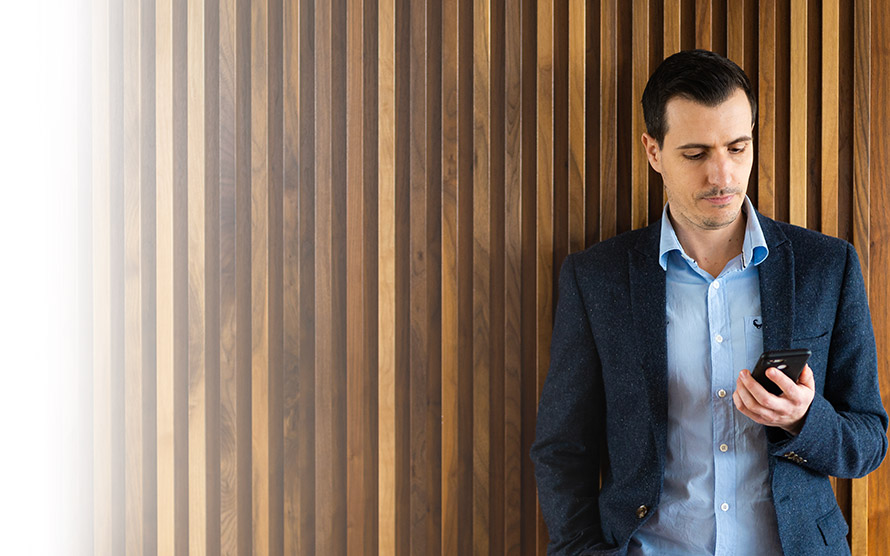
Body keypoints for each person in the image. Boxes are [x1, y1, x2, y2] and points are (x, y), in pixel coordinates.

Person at [530, 49, 888, 555]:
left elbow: (868, 440)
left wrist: (802, 420)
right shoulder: (597, 279)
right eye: (696, 154)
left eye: (738, 148)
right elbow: (563, 449)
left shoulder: (827, 267)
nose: (722, 176)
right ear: (654, 151)